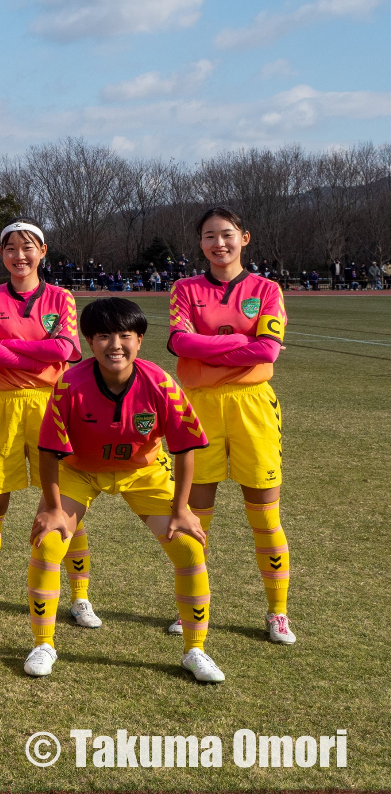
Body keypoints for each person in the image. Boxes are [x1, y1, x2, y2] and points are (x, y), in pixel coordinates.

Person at [25, 298, 223, 683]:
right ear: (88, 341)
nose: (114, 345)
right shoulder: (69, 383)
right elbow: (48, 450)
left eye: (124, 336)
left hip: (143, 472)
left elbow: (184, 449)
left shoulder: (161, 382)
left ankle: (196, 650)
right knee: (48, 541)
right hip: (80, 472)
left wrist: (182, 509)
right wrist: (51, 507)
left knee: (188, 545)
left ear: (140, 340)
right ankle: (43, 643)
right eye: (103, 336)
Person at [167, 207, 293, 644]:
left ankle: (277, 612)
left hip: (252, 407)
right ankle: (190, 607)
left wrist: (209, 351)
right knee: (194, 513)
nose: (218, 244)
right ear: (199, 243)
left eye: (226, 235)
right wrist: (240, 340)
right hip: (198, 406)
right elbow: (179, 342)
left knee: (264, 514)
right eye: (208, 237)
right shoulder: (185, 289)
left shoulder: (266, 289)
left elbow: (268, 353)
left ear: (245, 237)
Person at [0, 222, 96, 629]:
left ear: (43, 251)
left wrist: (11, 350)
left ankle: (79, 597)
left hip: (52, 404)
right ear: (0, 254)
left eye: (27, 248)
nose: (18, 256)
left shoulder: (61, 297)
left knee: (65, 507)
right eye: (10, 248)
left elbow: (67, 349)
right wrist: (38, 355)